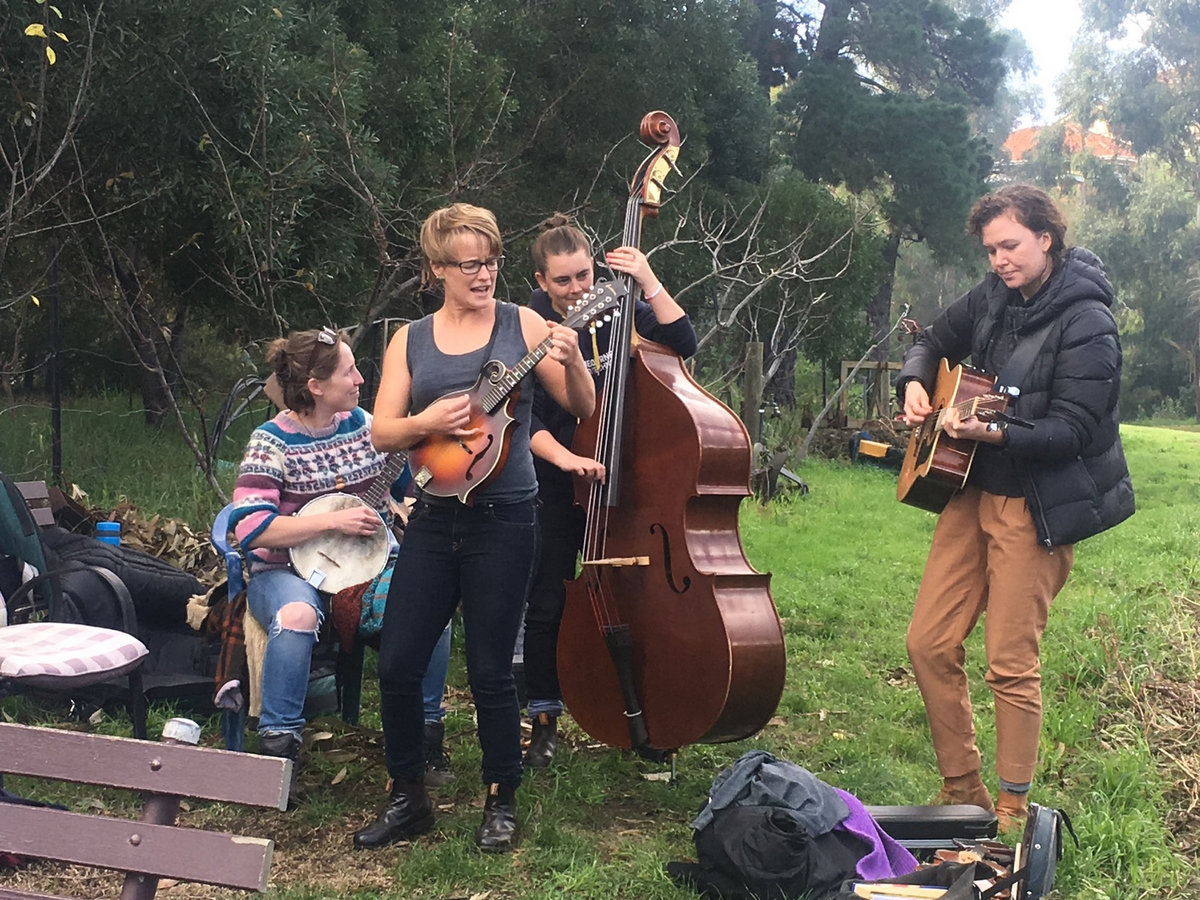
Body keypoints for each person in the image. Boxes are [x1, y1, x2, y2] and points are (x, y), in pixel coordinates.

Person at [353, 203, 595, 853]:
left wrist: (574, 360)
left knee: (490, 668)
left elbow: (581, 404)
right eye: (469, 264)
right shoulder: (410, 339)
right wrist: (427, 421)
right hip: (433, 518)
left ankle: (501, 799)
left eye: (491, 261)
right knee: (398, 662)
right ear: (436, 269)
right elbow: (382, 431)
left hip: (506, 519)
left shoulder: (525, 324)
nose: (484, 274)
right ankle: (408, 797)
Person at [897, 184, 1135, 833]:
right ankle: (962, 787)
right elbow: (932, 340)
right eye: (991, 250)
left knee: (1009, 662)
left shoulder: (1088, 322)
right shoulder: (992, 295)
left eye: (1010, 246)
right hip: (971, 490)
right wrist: (915, 380)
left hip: (1034, 505)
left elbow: (1075, 430)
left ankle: (1011, 807)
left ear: (1045, 238)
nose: (999, 260)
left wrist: (996, 430)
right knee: (927, 642)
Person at [520, 214, 698, 768]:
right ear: (541, 281)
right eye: (563, 280)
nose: (577, 288)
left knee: (641, 594)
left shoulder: (618, 309)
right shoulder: (529, 327)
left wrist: (648, 280)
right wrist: (568, 459)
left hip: (627, 477)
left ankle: (648, 709)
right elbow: (525, 419)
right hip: (557, 479)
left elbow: (682, 342)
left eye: (584, 275)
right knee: (549, 596)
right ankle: (544, 718)